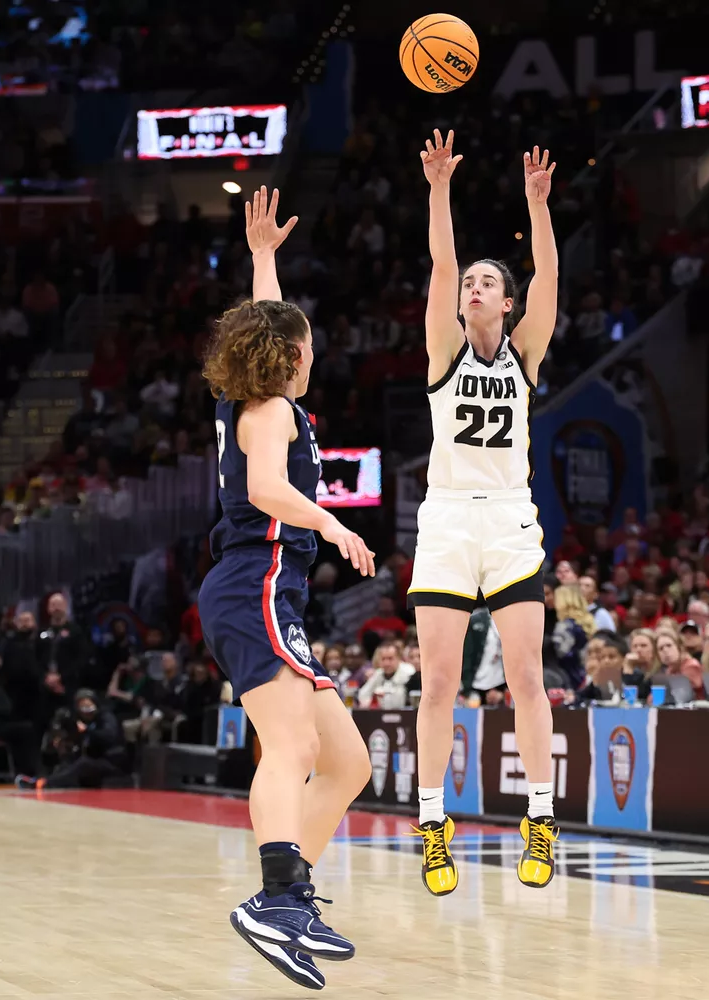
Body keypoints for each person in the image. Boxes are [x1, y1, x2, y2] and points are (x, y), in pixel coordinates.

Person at [192, 187, 372, 990]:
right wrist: (331, 523)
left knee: (348, 763)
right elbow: (266, 488)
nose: (312, 348)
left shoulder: (257, 399)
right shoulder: (269, 414)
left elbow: (268, 321)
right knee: (293, 746)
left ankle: (291, 898)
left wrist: (264, 254)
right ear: (291, 355)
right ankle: (274, 897)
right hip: (255, 578)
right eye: (305, 341)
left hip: (270, 589)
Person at [408, 132, 562, 896]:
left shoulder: (526, 352)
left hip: (508, 520)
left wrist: (537, 208)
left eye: (486, 282)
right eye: (470, 280)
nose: (472, 286)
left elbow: (551, 278)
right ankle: (433, 824)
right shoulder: (445, 349)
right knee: (440, 686)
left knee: (525, 680)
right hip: (444, 522)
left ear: (506, 303)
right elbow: (439, 265)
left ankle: (541, 816)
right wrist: (438, 189)